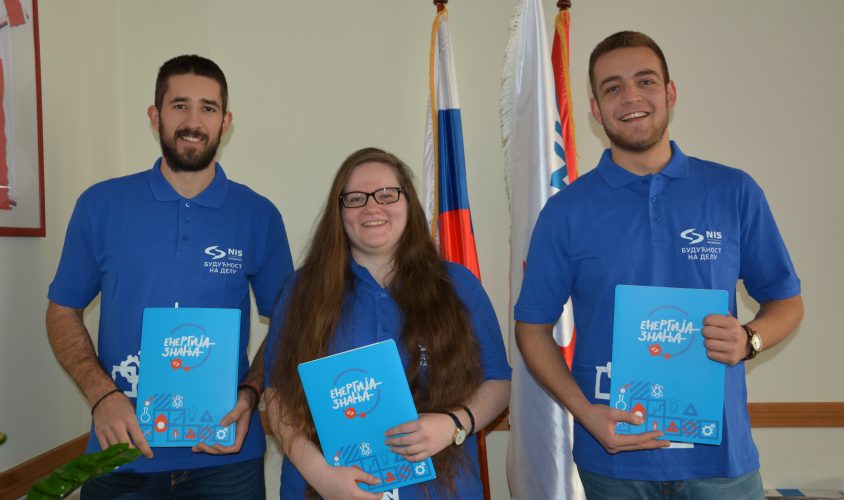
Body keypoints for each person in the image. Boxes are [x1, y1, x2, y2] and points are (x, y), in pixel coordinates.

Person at [514, 31, 804, 499]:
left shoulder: (734, 192)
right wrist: (585, 414)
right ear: (595, 109)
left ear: (670, 93)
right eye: (613, 88)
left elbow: (787, 301)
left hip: (720, 462)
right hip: (614, 462)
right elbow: (531, 329)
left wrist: (750, 339)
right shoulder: (565, 211)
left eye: (645, 81)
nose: (631, 97)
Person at [46, 54, 293, 499]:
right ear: (155, 116)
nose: (193, 121)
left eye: (208, 108)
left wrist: (251, 392)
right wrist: (102, 396)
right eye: (179, 105)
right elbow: (62, 311)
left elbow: (289, 322)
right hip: (119, 452)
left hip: (226, 458)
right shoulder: (101, 205)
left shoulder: (258, 215)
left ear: (225, 122)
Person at [264, 147, 510, 499]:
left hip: (439, 490)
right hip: (323, 489)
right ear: (339, 212)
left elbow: (499, 381)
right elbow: (277, 395)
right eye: (355, 198)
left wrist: (454, 424)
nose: (372, 207)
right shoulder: (300, 291)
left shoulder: (458, 286)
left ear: (409, 203)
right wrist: (321, 475)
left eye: (387, 194)